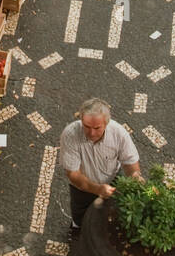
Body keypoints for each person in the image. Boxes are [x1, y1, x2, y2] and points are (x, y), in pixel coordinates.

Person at [59, 98, 141, 235]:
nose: (91, 133)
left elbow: (130, 163)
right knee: (80, 211)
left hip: (113, 178)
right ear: (81, 120)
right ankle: (77, 229)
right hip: (82, 185)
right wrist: (97, 189)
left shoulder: (119, 134)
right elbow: (73, 174)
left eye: (97, 128)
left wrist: (135, 176)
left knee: (116, 208)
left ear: (106, 123)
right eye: (86, 126)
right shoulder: (70, 135)